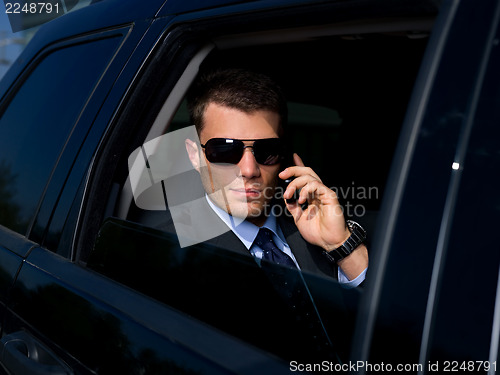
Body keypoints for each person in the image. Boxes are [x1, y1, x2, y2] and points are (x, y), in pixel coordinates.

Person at [180, 68, 368, 287]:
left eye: (266, 150)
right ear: (195, 155)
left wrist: (342, 245)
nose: (249, 170)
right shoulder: (165, 250)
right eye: (225, 150)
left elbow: (393, 316)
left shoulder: (316, 228)